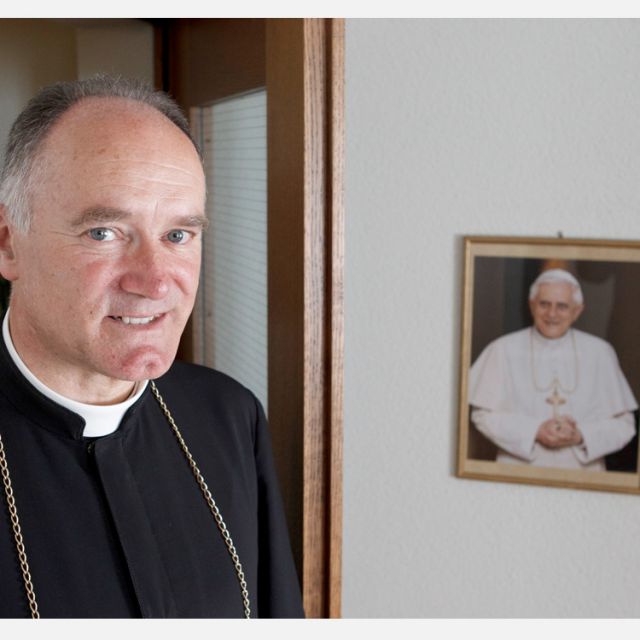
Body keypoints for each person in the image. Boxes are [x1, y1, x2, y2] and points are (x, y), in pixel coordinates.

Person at [0, 76, 304, 618]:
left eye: (178, 235)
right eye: (104, 232)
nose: (156, 282)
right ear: (8, 243)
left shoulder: (229, 416)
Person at [468, 268, 638, 471]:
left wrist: (581, 435)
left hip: (583, 473)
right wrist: (534, 431)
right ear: (532, 305)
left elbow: (624, 425)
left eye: (562, 306)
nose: (552, 314)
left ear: (577, 311)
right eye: (544, 304)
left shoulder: (600, 352)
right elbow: (482, 415)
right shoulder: (502, 349)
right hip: (518, 469)